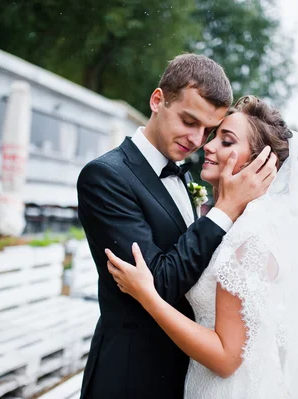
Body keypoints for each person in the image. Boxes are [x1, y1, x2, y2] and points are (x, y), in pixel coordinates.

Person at [107, 95, 298, 398]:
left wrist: (148, 297)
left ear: (260, 163)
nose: (208, 145)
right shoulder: (234, 224)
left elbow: (226, 359)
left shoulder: (250, 241)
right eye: (215, 136)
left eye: (226, 141)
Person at [76, 56, 278, 399]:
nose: (197, 140)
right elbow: (161, 282)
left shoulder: (184, 176)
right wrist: (224, 211)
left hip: (186, 375)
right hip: (129, 376)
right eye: (188, 121)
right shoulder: (106, 177)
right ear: (158, 101)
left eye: (209, 130)